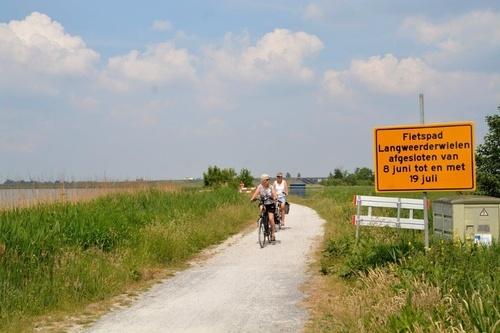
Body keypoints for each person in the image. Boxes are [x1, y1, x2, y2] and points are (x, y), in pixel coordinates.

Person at [250, 174, 278, 241]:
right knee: (261, 208)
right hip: (263, 203)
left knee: (271, 218)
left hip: (270, 204)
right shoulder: (260, 187)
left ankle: (273, 234)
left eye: (268, 179)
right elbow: (255, 194)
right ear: (263, 181)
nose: (268, 181)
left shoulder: (271, 187)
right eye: (267, 180)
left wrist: (274, 197)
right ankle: (263, 219)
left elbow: (274, 194)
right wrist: (252, 199)